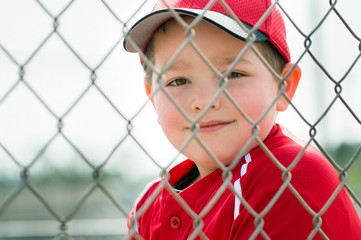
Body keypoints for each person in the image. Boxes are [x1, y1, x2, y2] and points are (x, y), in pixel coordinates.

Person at [123, 0, 361, 239]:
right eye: (178, 81)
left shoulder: (290, 176)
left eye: (233, 74)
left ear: (282, 87)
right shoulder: (148, 204)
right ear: (153, 98)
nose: (204, 101)